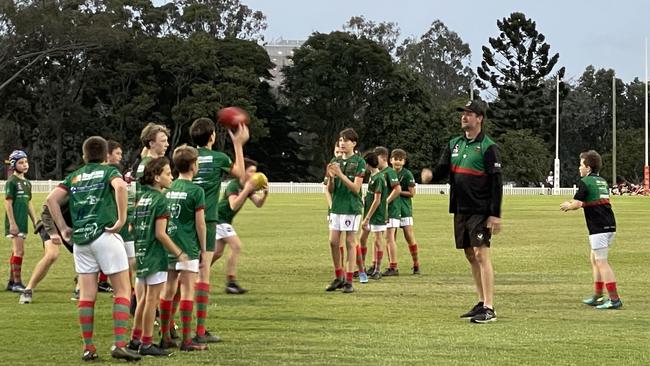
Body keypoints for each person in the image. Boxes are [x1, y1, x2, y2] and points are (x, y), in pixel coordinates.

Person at [47, 136, 141, 361]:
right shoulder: (109, 172)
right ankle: (119, 344)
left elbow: (52, 200)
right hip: (105, 235)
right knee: (122, 290)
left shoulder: (74, 176)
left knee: (87, 296)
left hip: (81, 241)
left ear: (84, 155)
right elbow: (120, 187)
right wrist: (121, 218)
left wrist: (63, 228)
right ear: (106, 155)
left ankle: (88, 347)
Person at [422, 100, 502, 324]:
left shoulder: (488, 147)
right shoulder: (454, 144)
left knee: (481, 254)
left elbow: (497, 183)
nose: (464, 117)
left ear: (479, 119)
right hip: (460, 208)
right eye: (463, 113)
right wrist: (431, 176)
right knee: (469, 255)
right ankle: (480, 301)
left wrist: (494, 214)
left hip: (480, 209)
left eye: (469, 113)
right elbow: (442, 169)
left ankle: (489, 307)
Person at [190, 117, 248, 343]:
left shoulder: (186, 155)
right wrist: (238, 144)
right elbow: (241, 174)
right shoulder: (218, 158)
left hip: (182, 219)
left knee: (179, 272)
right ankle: (200, 330)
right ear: (212, 136)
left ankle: (168, 328)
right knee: (202, 273)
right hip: (207, 219)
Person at [129, 157, 190, 356]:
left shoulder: (142, 199)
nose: (171, 176)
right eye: (166, 173)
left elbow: (132, 227)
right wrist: (179, 253)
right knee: (151, 300)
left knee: (144, 298)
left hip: (141, 252)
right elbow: (161, 234)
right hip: (155, 255)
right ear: (156, 177)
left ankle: (135, 339)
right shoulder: (160, 200)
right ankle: (146, 343)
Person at [159, 146, 208, 351]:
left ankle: (165, 335)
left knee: (168, 289)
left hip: (168, 243)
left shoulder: (167, 187)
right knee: (188, 289)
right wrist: (203, 249)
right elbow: (200, 224)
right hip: (187, 246)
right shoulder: (197, 191)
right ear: (193, 165)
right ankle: (187, 340)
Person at [560, 150, 622, 309]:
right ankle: (598, 295)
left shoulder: (585, 182)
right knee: (595, 259)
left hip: (598, 227)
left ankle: (614, 299)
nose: (579, 168)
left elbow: (577, 204)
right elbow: (594, 200)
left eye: (581, 165)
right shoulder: (602, 181)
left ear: (588, 168)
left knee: (602, 262)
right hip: (610, 224)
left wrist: (568, 206)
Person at [214, 158, 269, 294]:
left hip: (223, 220)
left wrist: (265, 195)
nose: (254, 175)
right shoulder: (233, 185)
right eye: (251, 172)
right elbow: (233, 205)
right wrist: (247, 190)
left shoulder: (247, 187)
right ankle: (231, 283)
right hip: (219, 219)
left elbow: (258, 204)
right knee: (236, 246)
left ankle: (196, 272)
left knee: (217, 253)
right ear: (243, 172)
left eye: (255, 172)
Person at [325, 128, 366, 293]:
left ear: (354, 143)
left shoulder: (359, 162)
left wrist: (340, 175)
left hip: (351, 207)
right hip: (336, 206)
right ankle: (338, 277)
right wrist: (331, 178)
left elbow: (356, 188)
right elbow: (330, 188)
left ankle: (349, 280)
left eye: (346, 140)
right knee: (333, 241)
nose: (342, 143)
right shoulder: (335, 160)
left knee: (350, 242)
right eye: (340, 140)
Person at [19, 200, 74, 304]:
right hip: (50, 224)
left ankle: (80, 289)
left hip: (72, 227)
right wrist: (53, 233)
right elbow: (48, 205)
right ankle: (28, 290)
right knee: (52, 254)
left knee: (85, 254)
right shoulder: (67, 188)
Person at [5, 150, 37, 293]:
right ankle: (17, 283)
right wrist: (12, 223)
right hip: (15, 222)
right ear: (13, 164)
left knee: (16, 251)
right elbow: (8, 203)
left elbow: (28, 203)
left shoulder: (27, 183)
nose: (25, 165)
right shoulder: (12, 181)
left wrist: (35, 221)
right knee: (19, 251)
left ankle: (12, 282)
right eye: (21, 162)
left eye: (26, 162)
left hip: (23, 222)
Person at [390, 149, 420, 274]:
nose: (397, 162)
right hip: (392, 208)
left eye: (400, 159)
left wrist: (398, 191)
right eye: (395, 159)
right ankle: (393, 265)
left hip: (404, 208)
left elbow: (412, 193)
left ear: (404, 161)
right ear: (391, 160)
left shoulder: (407, 174)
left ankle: (416, 264)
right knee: (391, 237)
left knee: (409, 236)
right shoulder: (388, 172)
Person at [373, 147, 401, 276]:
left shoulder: (389, 172)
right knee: (378, 237)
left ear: (383, 158)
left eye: (376, 158)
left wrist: (386, 202)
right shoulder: (379, 172)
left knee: (389, 237)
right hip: (384, 211)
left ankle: (394, 267)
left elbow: (397, 189)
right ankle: (375, 264)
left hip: (392, 210)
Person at [359, 151, 386, 281]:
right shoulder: (372, 177)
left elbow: (377, 200)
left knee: (377, 240)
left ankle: (377, 269)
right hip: (369, 213)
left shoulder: (379, 178)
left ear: (368, 164)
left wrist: (367, 217)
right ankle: (362, 267)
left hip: (377, 215)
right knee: (362, 239)